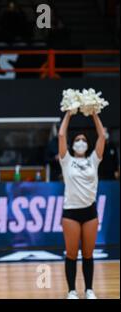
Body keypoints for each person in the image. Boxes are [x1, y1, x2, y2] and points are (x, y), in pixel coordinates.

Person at [58, 111, 105, 299]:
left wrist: (93, 113)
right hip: (71, 212)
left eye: (84, 140)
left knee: (88, 253)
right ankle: (71, 291)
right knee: (71, 253)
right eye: (77, 139)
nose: (80, 142)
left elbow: (102, 135)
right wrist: (69, 114)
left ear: (88, 144)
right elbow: (61, 135)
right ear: (73, 144)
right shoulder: (66, 160)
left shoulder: (94, 160)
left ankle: (89, 289)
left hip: (90, 212)